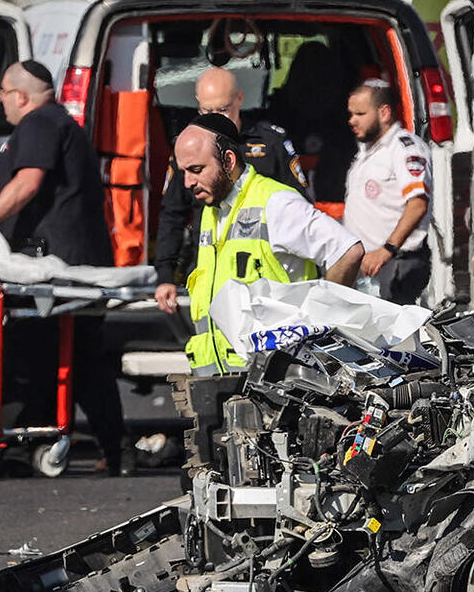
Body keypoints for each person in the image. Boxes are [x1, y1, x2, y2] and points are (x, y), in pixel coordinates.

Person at [0, 60, 125, 473]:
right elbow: (4, 186)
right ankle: (112, 450)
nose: (1, 101)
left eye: (3, 93)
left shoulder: (39, 124)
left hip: (54, 267)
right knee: (80, 358)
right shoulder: (55, 125)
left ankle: (23, 445)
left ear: (21, 96)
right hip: (72, 261)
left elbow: (26, 184)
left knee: (33, 356)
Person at [164, 114, 364, 373]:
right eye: (183, 172)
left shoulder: (276, 203)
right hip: (217, 378)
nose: (187, 182)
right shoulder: (212, 213)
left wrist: (321, 322)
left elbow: (347, 251)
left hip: (274, 382)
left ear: (228, 161)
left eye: (196, 170)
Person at [152, 66, 306, 312]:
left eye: (223, 109)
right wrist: (165, 275)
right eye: (207, 111)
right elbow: (172, 214)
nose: (216, 118)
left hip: (262, 272)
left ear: (239, 99)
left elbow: (299, 206)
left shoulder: (269, 142)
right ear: (197, 103)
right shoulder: (190, 146)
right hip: (210, 266)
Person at [342, 80, 433, 306]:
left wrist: (387, 250)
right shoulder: (367, 152)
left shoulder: (405, 149)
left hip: (393, 264)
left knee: (392, 326)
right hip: (369, 265)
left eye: (360, 114)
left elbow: (418, 204)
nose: (352, 120)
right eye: (351, 114)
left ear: (384, 113)